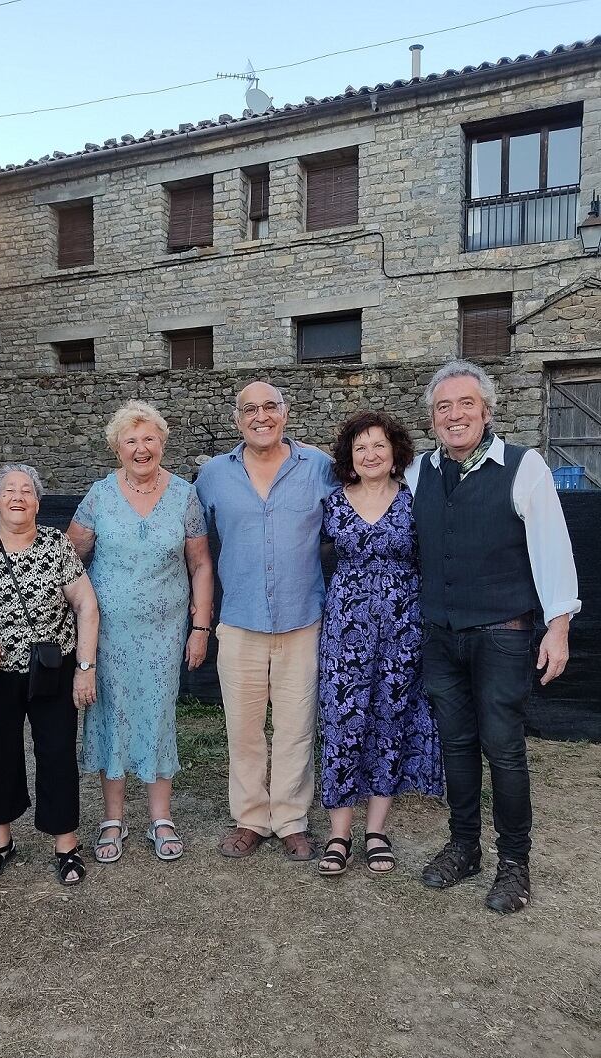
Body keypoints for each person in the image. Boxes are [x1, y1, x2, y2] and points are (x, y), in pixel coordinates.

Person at [408, 360, 580, 913]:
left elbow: (553, 549)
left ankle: (514, 863)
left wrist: (559, 627)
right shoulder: (419, 472)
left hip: (504, 635)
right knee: (454, 746)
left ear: (486, 411)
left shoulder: (524, 467)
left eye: (465, 405)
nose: (454, 415)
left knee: (503, 750)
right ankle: (463, 848)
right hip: (441, 635)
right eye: (443, 407)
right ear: (432, 419)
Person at [195, 382, 336, 861]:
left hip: (303, 620)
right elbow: (198, 549)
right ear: (237, 419)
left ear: (286, 412)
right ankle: (252, 817)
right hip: (239, 621)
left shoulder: (319, 467)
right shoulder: (213, 475)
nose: (261, 416)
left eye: (270, 407)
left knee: (297, 726)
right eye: (249, 410)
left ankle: (291, 819)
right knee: (244, 727)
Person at [67, 401, 213, 863]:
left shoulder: (184, 495)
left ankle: (160, 817)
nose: (141, 448)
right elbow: (71, 560)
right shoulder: (99, 495)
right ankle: (113, 819)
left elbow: (200, 563)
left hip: (165, 633)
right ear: (117, 448)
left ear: (162, 443)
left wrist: (200, 625)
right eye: (130, 440)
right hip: (108, 634)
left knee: (157, 714)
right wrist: (76, 627)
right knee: (111, 716)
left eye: (148, 438)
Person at [316, 411, 443, 877]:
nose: (370, 455)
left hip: (402, 632)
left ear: (395, 455)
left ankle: (376, 831)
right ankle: (338, 834)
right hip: (345, 632)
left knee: (389, 723)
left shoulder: (416, 500)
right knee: (342, 725)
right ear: (350, 458)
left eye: (379, 447)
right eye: (360, 448)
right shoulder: (331, 504)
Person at [0, 464, 99, 886]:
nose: (18, 497)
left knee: (57, 753)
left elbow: (87, 608)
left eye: (27, 491)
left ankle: (66, 845)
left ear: (38, 502)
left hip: (52, 669)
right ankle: (1, 841)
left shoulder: (57, 545)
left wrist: (85, 669)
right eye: (9, 491)